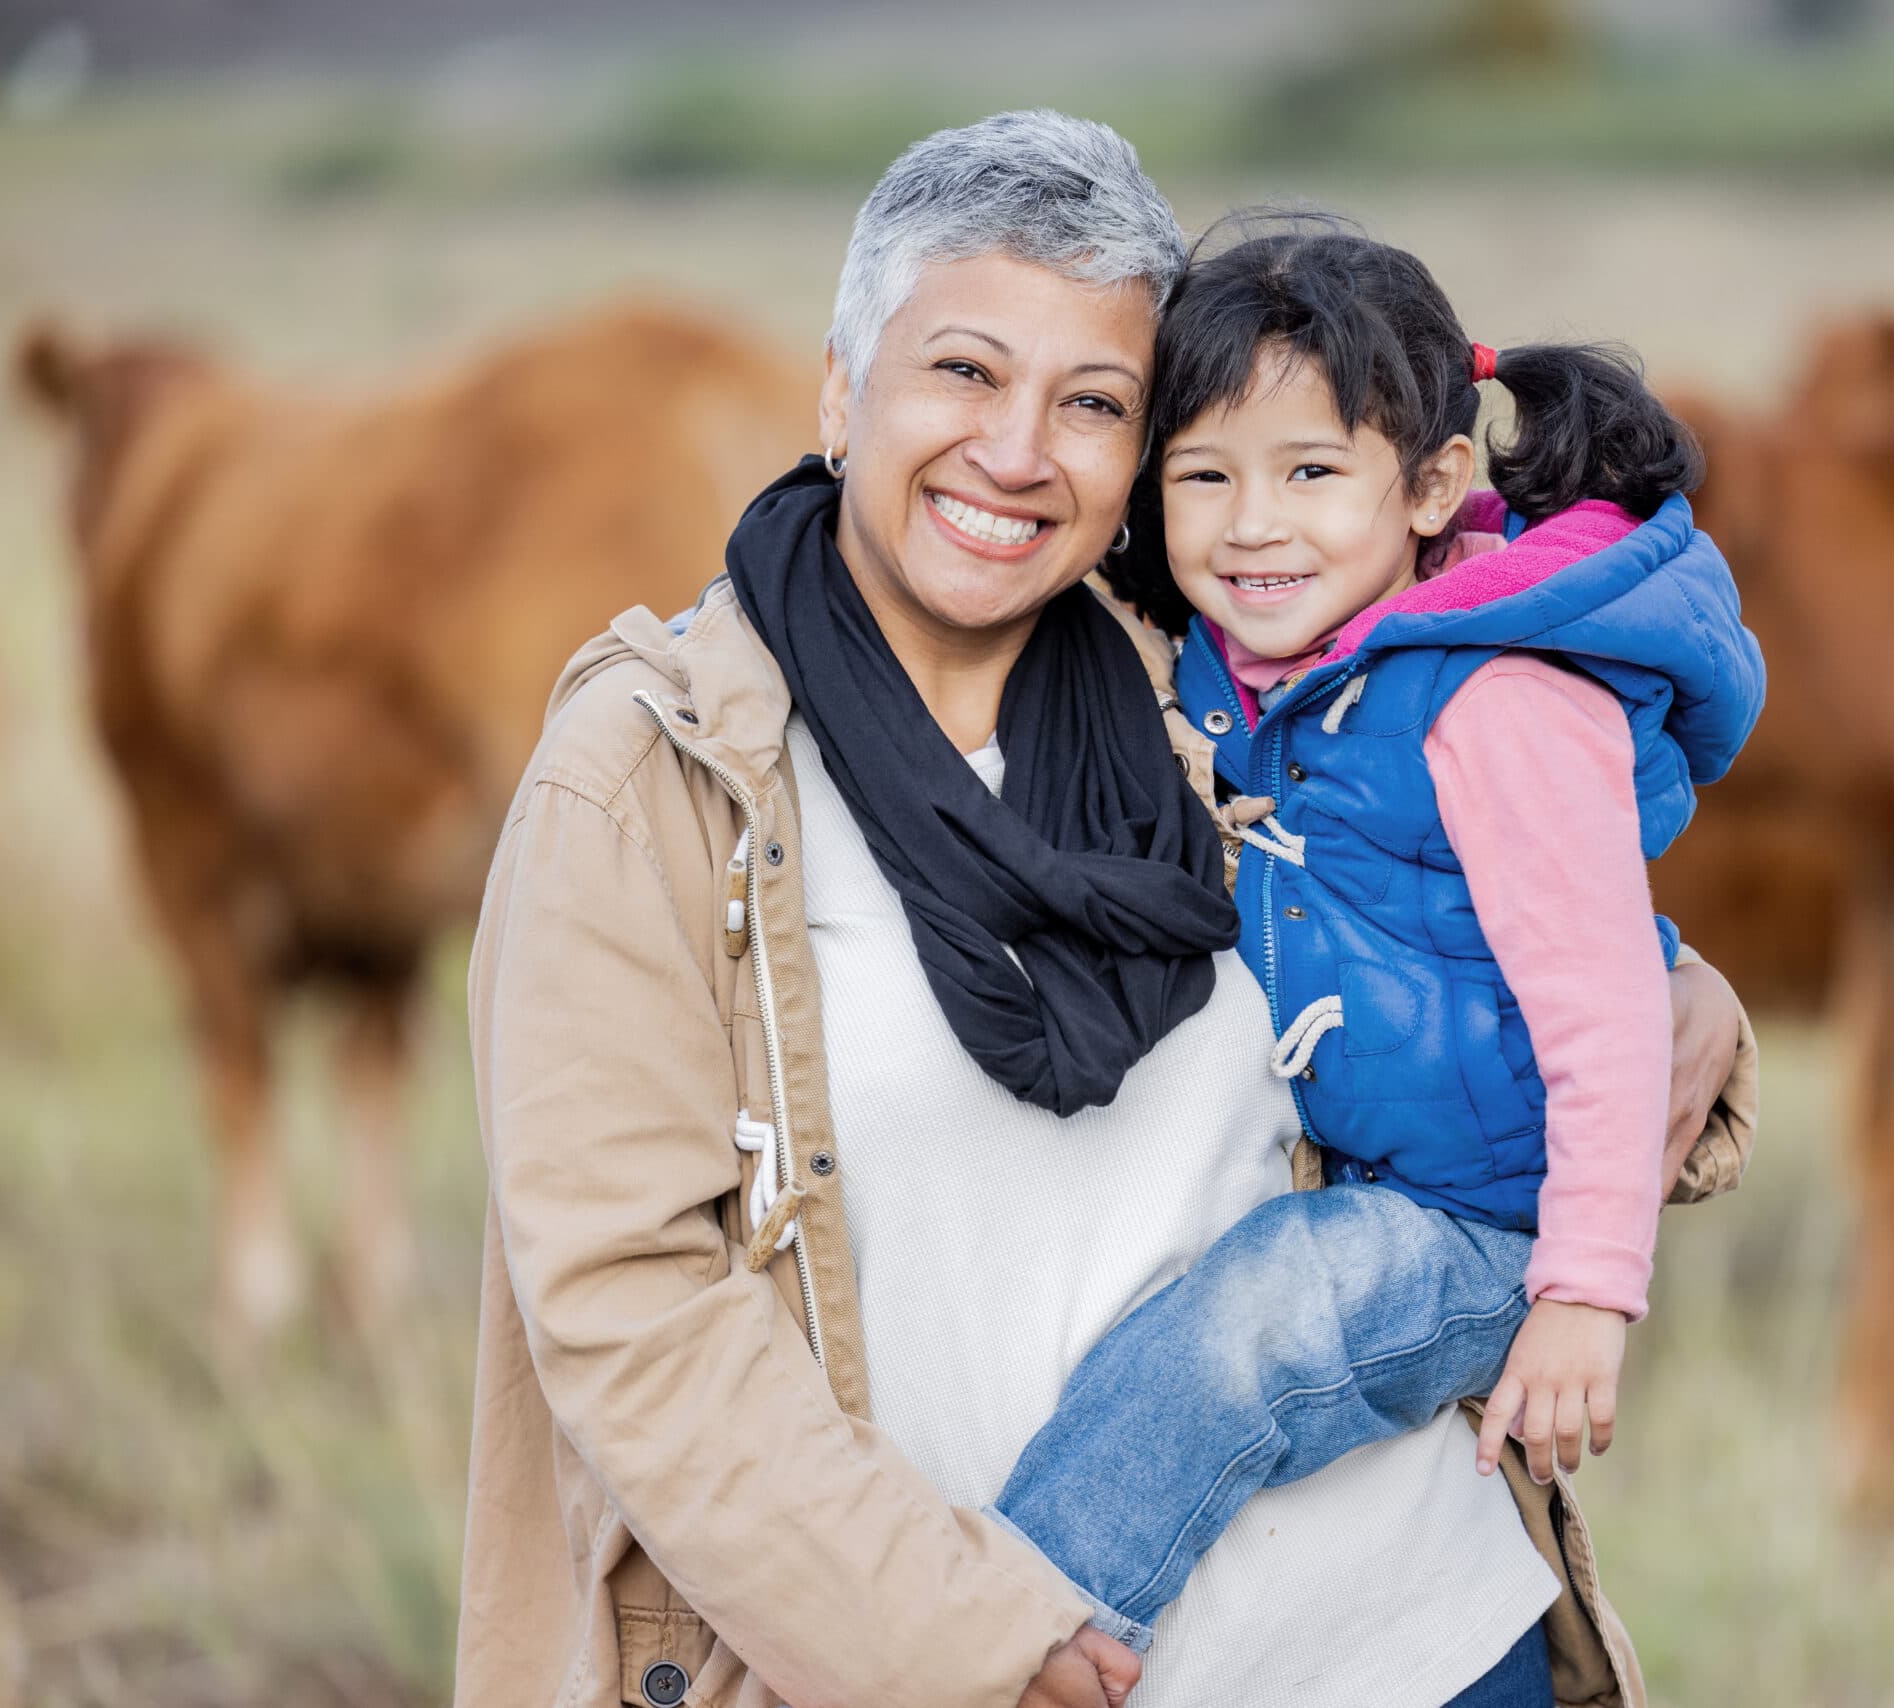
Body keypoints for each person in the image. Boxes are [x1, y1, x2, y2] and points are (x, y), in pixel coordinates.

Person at [456, 112, 1758, 1708]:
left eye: (1092, 403)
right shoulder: (657, 774)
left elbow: (1478, 898)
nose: (1017, 452)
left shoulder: (1206, 682)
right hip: (995, 1675)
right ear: (841, 392)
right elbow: (634, 1319)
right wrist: (953, 1638)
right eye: (964, 372)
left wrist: (1691, 994)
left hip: (1409, 1638)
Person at [985, 222, 1762, 1666]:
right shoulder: (1235, 671)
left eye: (1310, 474)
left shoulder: (1500, 702)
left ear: (1433, 487)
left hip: (1488, 1221)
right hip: (1377, 1174)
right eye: (1204, 477)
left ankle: (1005, 1639)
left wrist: (1586, 1291)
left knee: (1246, 1330)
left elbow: (1609, 1011)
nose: (1251, 526)